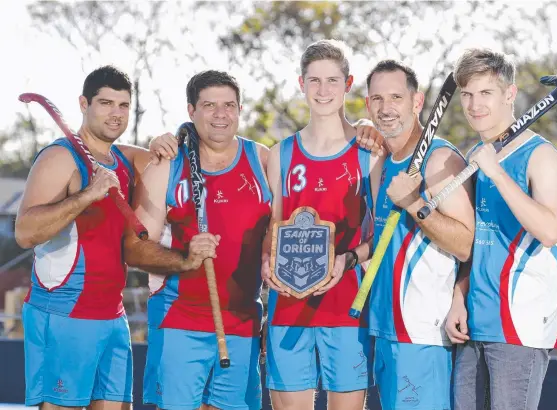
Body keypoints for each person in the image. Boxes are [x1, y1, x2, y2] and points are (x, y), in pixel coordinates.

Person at [123, 69, 270, 410]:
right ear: (191, 110)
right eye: (209, 105)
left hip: (243, 321)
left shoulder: (262, 160)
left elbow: (278, 245)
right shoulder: (167, 166)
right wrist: (184, 258)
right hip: (179, 319)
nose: (221, 114)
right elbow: (133, 247)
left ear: (240, 110)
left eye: (229, 105)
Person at [15, 65, 155, 409]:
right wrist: (86, 196)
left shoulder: (124, 158)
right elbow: (24, 233)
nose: (116, 114)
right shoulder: (59, 157)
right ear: (83, 103)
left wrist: (168, 137)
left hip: (111, 314)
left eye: (123, 105)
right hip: (64, 313)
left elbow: (166, 158)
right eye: (106, 103)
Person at [444, 48, 557, 410]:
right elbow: (476, 240)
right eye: (467, 94)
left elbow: (549, 231)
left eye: (485, 93)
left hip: (521, 322)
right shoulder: (476, 157)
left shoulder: (540, 154)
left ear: (510, 95)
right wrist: (458, 296)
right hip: (475, 320)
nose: (474, 105)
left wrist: (498, 173)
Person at [257, 39, 382, 410]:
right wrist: (267, 261)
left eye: (332, 80)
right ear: (301, 83)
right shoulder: (282, 153)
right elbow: (273, 227)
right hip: (288, 303)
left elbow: (384, 235)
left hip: (347, 307)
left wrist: (348, 258)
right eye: (314, 81)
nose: (323, 90)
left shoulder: (369, 151)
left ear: (348, 84)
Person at [360, 60, 475, 410]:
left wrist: (413, 203)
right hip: (382, 327)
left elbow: (465, 244)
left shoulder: (440, 160)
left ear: (417, 100)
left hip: (421, 332)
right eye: (377, 99)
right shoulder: (381, 162)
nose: (385, 108)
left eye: (396, 96)